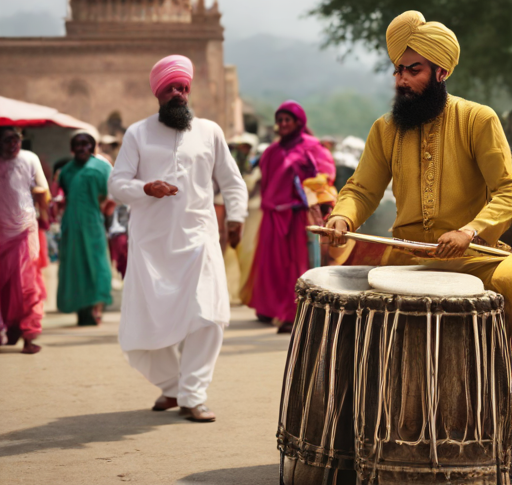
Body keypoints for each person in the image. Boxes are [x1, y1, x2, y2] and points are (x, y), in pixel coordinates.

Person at [327, 10, 512, 331]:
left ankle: (501, 374)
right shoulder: (384, 129)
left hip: (471, 257)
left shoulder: (478, 119)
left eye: (414, 70)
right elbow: (361, 189)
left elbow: (508, 190)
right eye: (399, 70)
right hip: (406, 257)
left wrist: (468, 231)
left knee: (509, 279)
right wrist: (342, 217)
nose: (402, 79)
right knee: (338, 294)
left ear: (442, 72)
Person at [109, 55, 248, 422]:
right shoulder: (138, 133)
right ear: (158, 92)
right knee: (146, 321)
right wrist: (146, 188)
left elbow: (232, 181)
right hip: (151, 244)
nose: (179, 94)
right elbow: (117, 183)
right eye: (172, 88)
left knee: (209, 314)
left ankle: (193, 395)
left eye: (184, 87)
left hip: (199, 237)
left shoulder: (210, 132)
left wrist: (236, 217)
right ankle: (172, 386)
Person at [244, 101, 336, 333]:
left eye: (288, 120)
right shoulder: (272, 152)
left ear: (298, 122)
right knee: (271, 265)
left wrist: (312, 177)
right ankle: (270, 307)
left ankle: (293, 312)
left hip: (298, 215)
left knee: (296, 265)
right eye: (280, 120)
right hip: (273, 215)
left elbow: (325, 176)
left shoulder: (312, 147)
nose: (283, 124)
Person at [0, 126, 49, 354]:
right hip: (1, 233)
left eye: (16, 138)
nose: (13, 144)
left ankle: (29, 335)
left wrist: (45, 213)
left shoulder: (29, 158)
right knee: (5, 284)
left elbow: (42, 190)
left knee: (27, 283)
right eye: (7, 140)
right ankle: (10, 330)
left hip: (25, 229)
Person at [57, 131, 114, 326]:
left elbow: (111, 196)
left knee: (97, 266)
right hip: (71, 226)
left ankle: (95, 307)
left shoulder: (102, 168)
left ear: (93, 147)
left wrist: (105, 216)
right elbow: (64, 195)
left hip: (93, 225)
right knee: (76, 267)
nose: (82, 148)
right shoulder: (66, 171)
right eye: (78, 145)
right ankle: (82, 310)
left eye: (86, 144)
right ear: (72, 149)